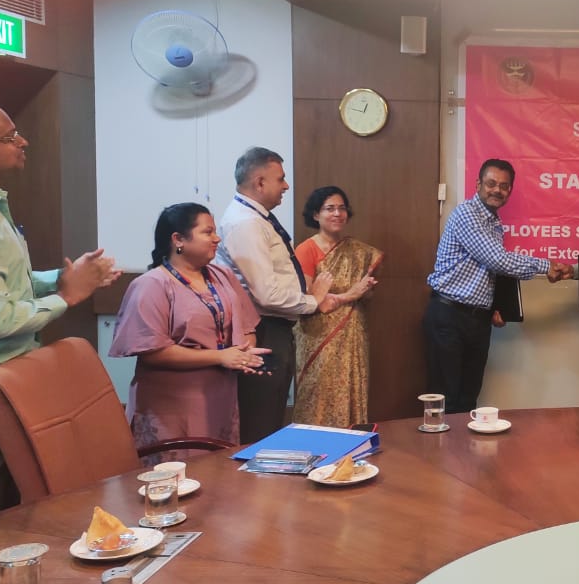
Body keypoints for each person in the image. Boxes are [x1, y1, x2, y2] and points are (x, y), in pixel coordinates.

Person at [0, 96, 119, 518]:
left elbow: (9, 286)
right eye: (9, 136)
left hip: (6, 376)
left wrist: (60, 279)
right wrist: (67, 297)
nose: (24, 142)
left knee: (14, 506)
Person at [217, 147, 352, 443]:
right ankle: (257, 473)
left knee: (271, 414)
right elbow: (267, 294)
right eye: (280, 179)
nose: (286, 186)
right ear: (259, 182)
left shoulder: (257, 218)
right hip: (262, 329)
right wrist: (313, 301)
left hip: (275, 327)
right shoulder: (246, 223)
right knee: (260, 420)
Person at [110, 204, 266, 449]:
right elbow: (152, 352)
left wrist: (245, 355)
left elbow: (247, 327)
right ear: (178, 240)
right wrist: (220, 356)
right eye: (207, 232)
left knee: (217, 465)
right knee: (179, 466)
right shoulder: (152, 284)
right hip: (173, 403)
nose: (216, 238)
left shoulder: (222, 275)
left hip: (221, 396)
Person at [425, 159, 570, 414]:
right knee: (446, 399)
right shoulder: (467, 214)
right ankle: (441, 443)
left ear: (510, 191)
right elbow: (498, 260)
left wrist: (496, 307)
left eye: (504, 186)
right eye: (491, 183)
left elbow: (490, 271)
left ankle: (461, 443)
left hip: (477, 321)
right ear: (478, 184)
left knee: (468, 399)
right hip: (450, 316)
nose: (497, 190)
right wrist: (546, 266)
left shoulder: (493, 223)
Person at [292, 186, 382, 427]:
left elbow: (365, 297)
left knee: (352, 388)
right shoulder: (306, 249)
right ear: (316, 214)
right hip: (317, 337)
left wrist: (365, 290)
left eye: (342, 208)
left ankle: (351, 445)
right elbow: (308, 300)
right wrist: (351, 294)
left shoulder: (359, 252)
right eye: (329, 208)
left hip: (353, 336)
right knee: (317, 396)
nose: (337, 214)